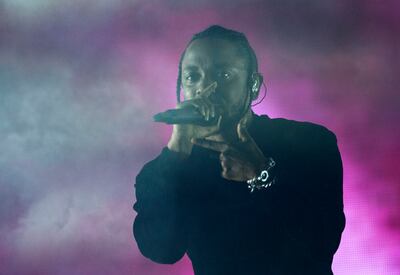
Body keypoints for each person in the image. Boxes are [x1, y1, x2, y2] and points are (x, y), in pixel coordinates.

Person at [133, 25, 345, 275]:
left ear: (253, 85)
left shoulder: (309, 143)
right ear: (181, 88)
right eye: (192, 77)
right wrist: (178, 149)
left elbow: (321, 245)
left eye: (223, 75)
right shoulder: (166, 169)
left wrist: (262, 174)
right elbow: (162, 250)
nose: (205, 88)